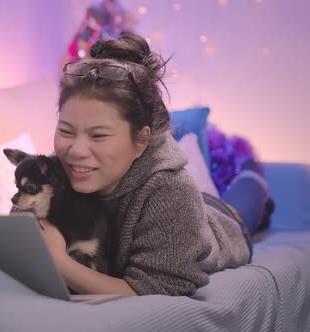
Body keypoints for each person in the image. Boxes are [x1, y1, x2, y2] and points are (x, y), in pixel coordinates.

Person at [38, 32, 273, 297]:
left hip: (222, 221)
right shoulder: (57, 169)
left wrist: (61, 263)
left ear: (140, 140)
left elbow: (152, 290)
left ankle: (253, 172)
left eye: (98, 135)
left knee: (251, 191)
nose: (76, 151)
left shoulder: (172, 192)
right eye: (67, 131)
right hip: (185, 207)